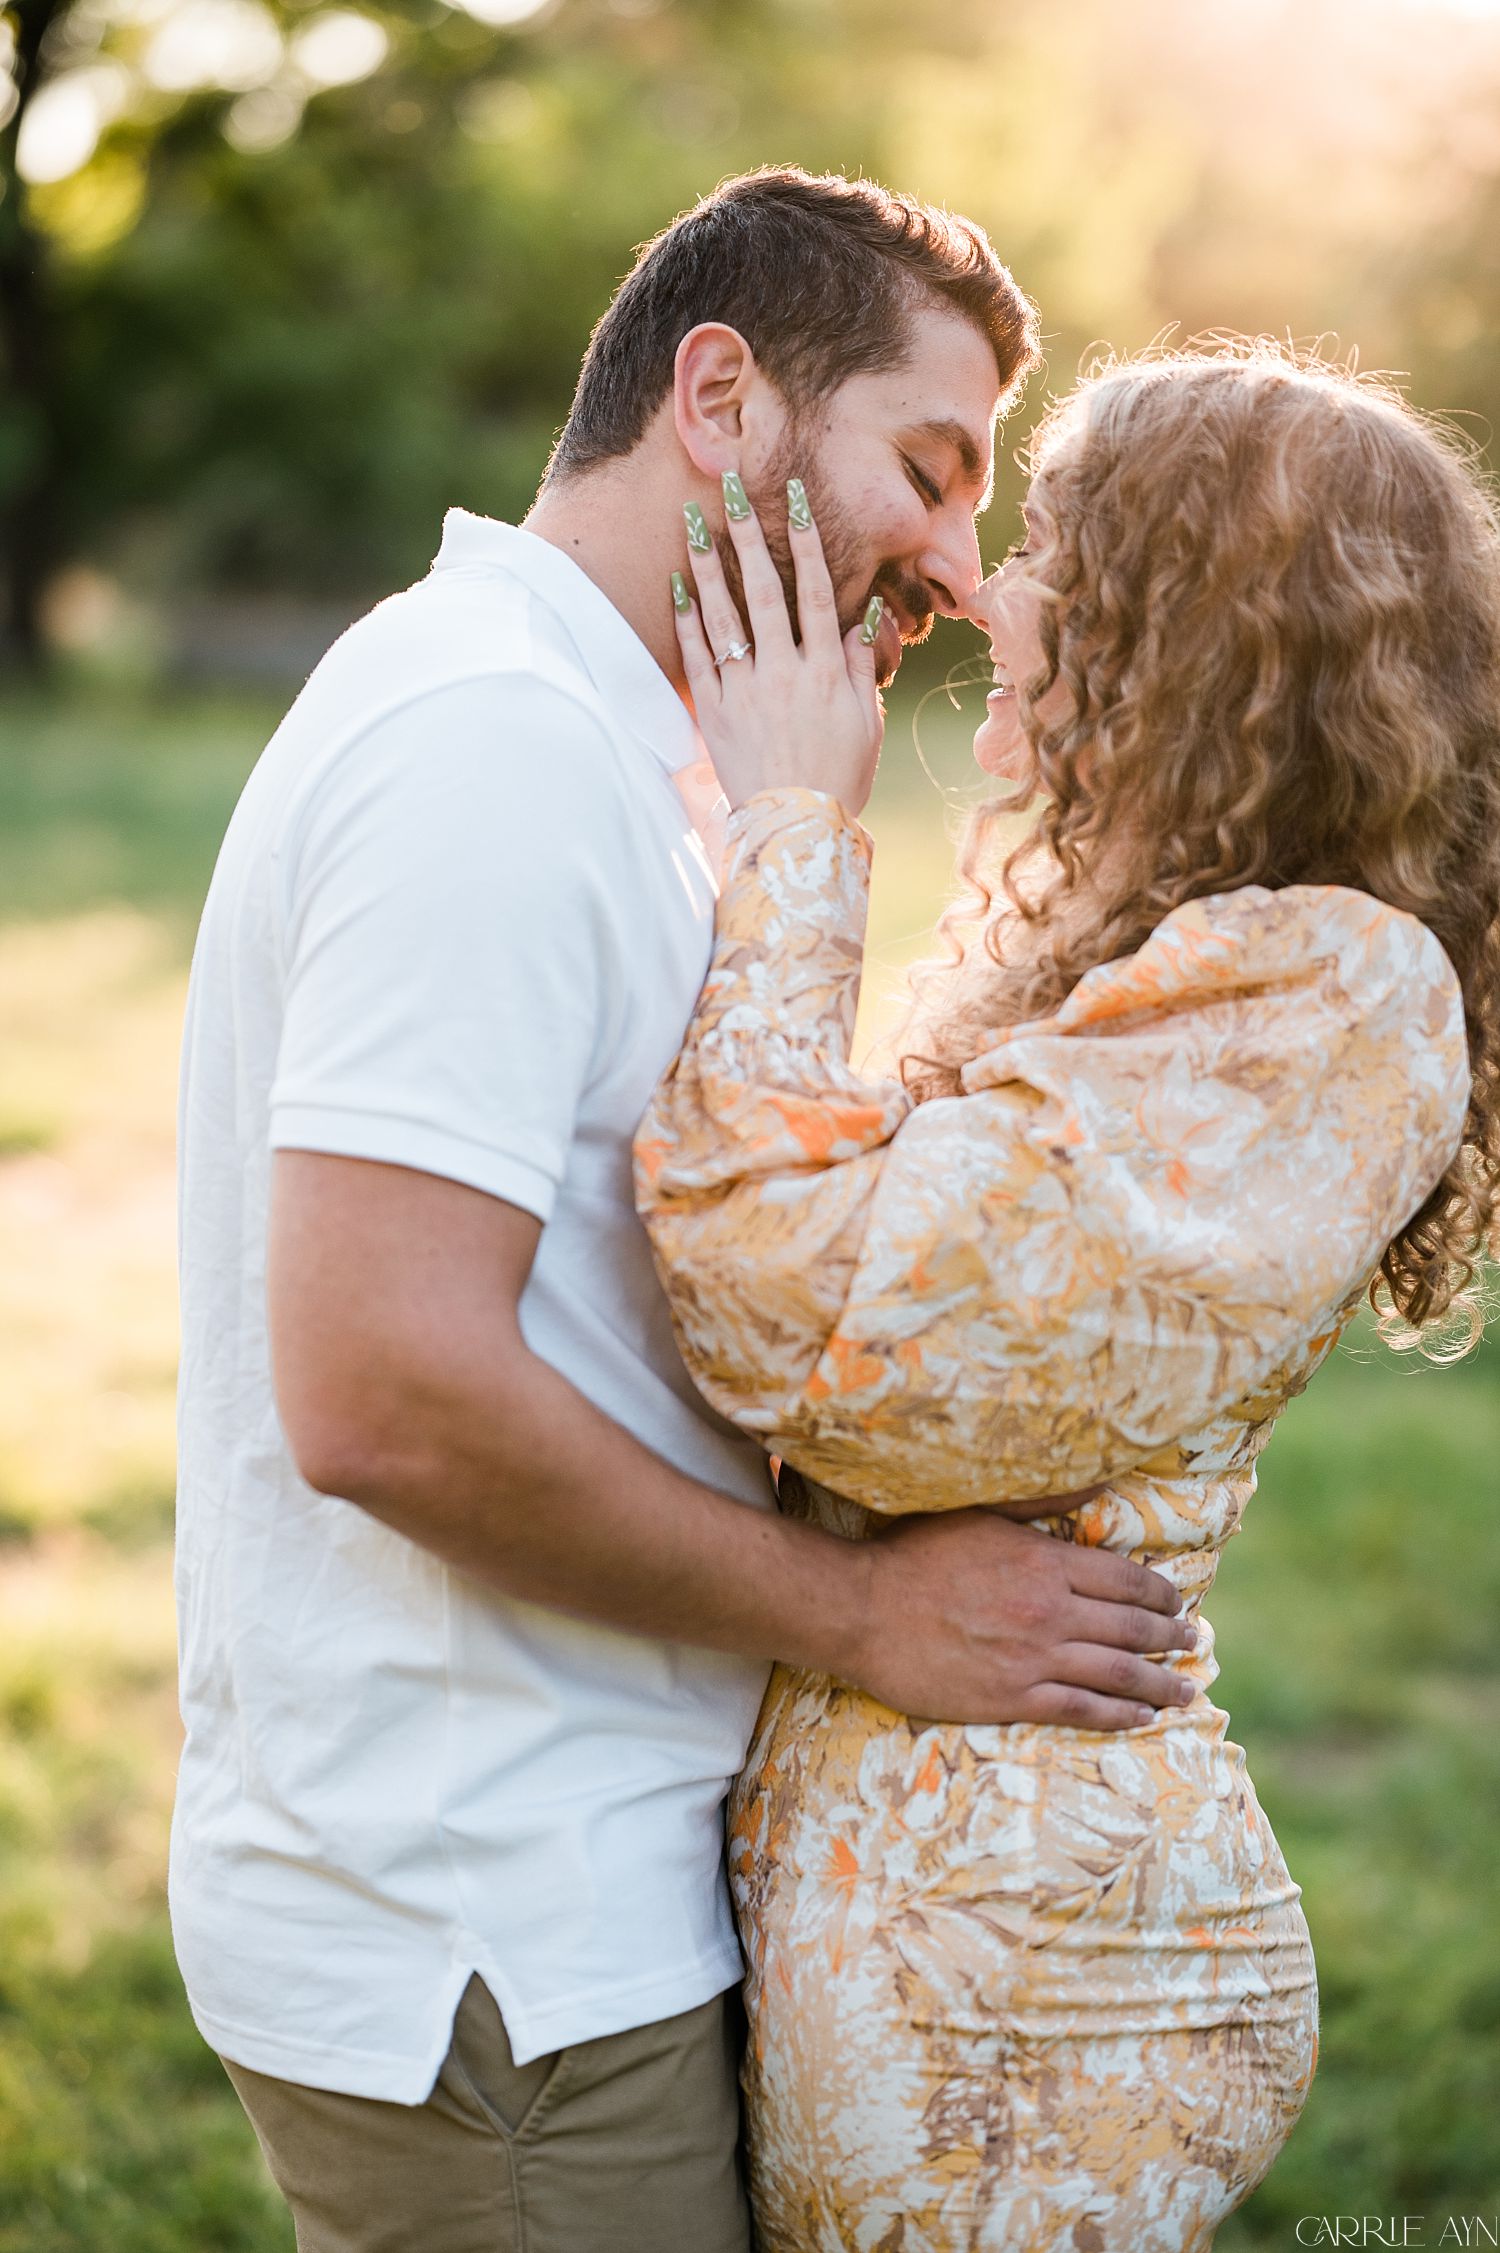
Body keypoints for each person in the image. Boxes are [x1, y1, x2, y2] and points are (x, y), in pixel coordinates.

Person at [170, 169, 1205, 2253]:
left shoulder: (629, 756)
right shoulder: (494, 743)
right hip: (501, 1947)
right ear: (718, 399)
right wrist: (869, 1618)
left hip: (585, 1886)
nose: (956, 563)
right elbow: (379, 1386)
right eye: (924, 470)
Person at [635, 341, 1500, 2251]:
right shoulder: (1158, 949)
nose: (983, 593)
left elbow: (814, 1324)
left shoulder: (1334, 998)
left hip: (1047, 1987)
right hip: (949, 1933)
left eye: (1048, 553)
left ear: (1188, 635)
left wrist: (796, 829)